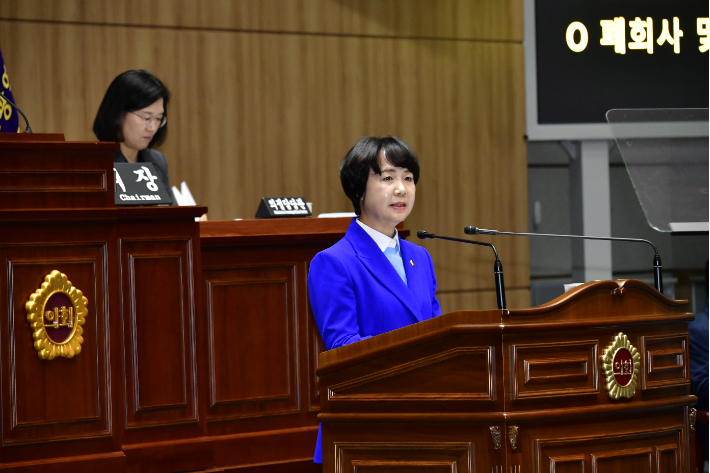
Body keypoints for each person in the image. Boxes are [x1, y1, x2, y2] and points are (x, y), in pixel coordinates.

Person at [308, 136, 441, 463]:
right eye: (388, 177)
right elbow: (343, 347)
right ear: (358, 190)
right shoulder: (334, 261)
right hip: (366, 427)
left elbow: (439, 336)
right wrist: (414, 361)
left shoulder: (420, 257)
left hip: (427, 424)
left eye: (408, 178)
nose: (402, 189)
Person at [93, 70, 173, 200]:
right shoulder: (96, 165)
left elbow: (170, 214)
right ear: (118, 115)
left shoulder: (158, 161)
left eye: (159, 118)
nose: (152, 128)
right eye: (147, 118)